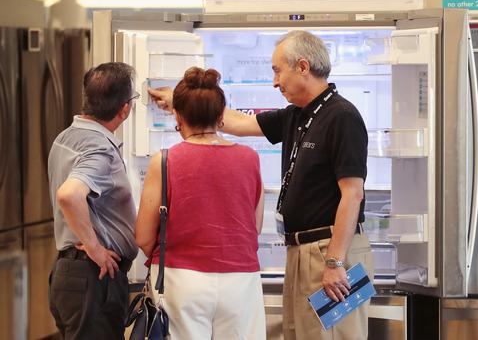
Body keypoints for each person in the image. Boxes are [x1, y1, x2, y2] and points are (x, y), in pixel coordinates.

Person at [149, 30, 373, 340]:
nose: (275, 81)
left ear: (303, 67)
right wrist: (185, 102)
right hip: (302, 250)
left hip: (333, 251)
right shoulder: (298, 115)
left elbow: (353, 193)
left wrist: (335, 262)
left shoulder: (342, 117)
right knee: (301, 334)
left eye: (278, 70)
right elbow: (240, 124)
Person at [136, 67, 266, 339]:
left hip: (180, 278)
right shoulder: (250, 159)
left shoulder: (164, 161)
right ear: (221, 117)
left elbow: (144, 237)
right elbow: (254, 228)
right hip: (240, 279)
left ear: (177, 115)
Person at [47, 62, 139, 340]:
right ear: (125, 109)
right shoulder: (99, 148)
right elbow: (69, 194)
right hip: (93, 278)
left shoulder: (66, 137)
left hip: (70, 274)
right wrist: (95, 247)